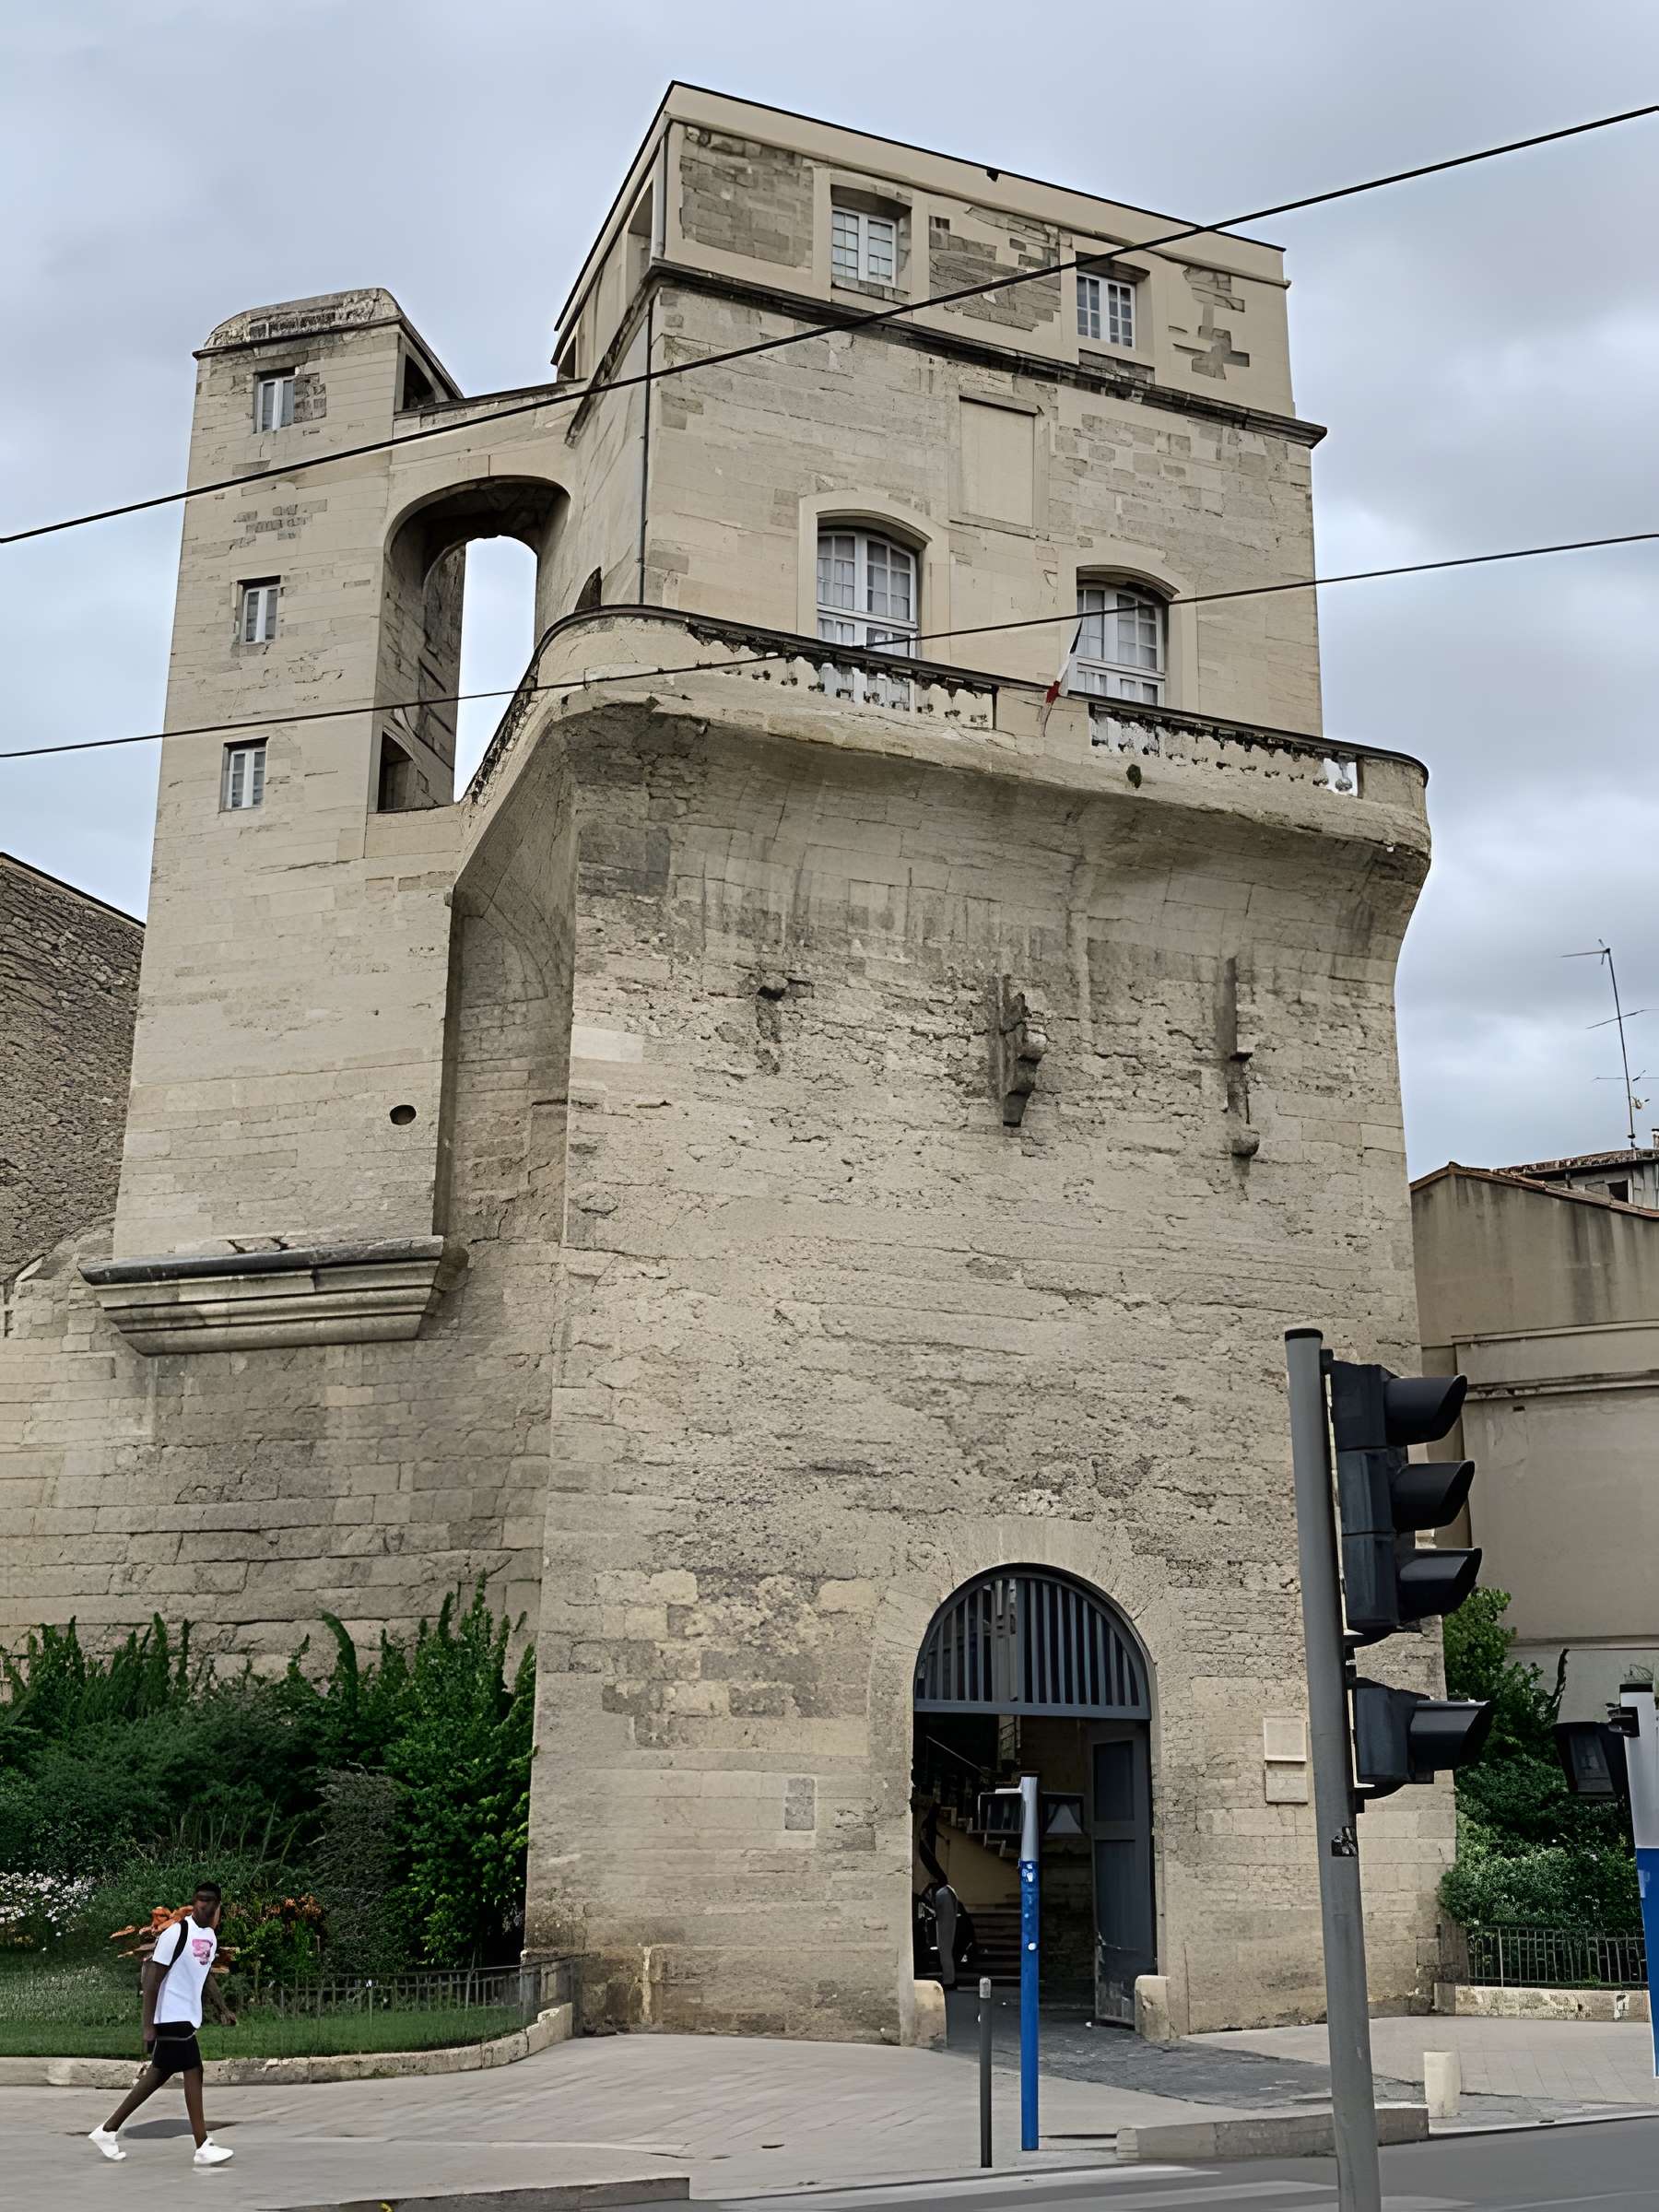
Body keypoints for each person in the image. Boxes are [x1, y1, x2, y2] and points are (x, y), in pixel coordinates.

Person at [88, 1880, 238, 2167]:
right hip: (170, 2015)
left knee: (158, 2075)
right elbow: (152, 1980)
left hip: (185, 2015)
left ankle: (107, 2130)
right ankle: (202, 2145)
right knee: (193, 2069)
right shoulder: (175, 1934)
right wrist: (148, 2026)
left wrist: (223, 2009)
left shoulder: (209, 1938)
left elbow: (205, 1976)